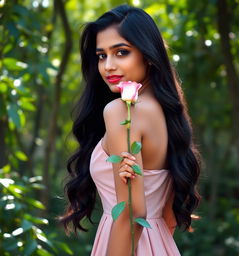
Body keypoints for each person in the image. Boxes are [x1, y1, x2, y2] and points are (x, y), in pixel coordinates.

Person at [60, 4, 201, 256]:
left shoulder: (121, 112)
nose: (108, 66)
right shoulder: (167, 112)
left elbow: (131, 213)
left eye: (121, 52)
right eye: (101, 56)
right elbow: (166, 216)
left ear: (147, 54)